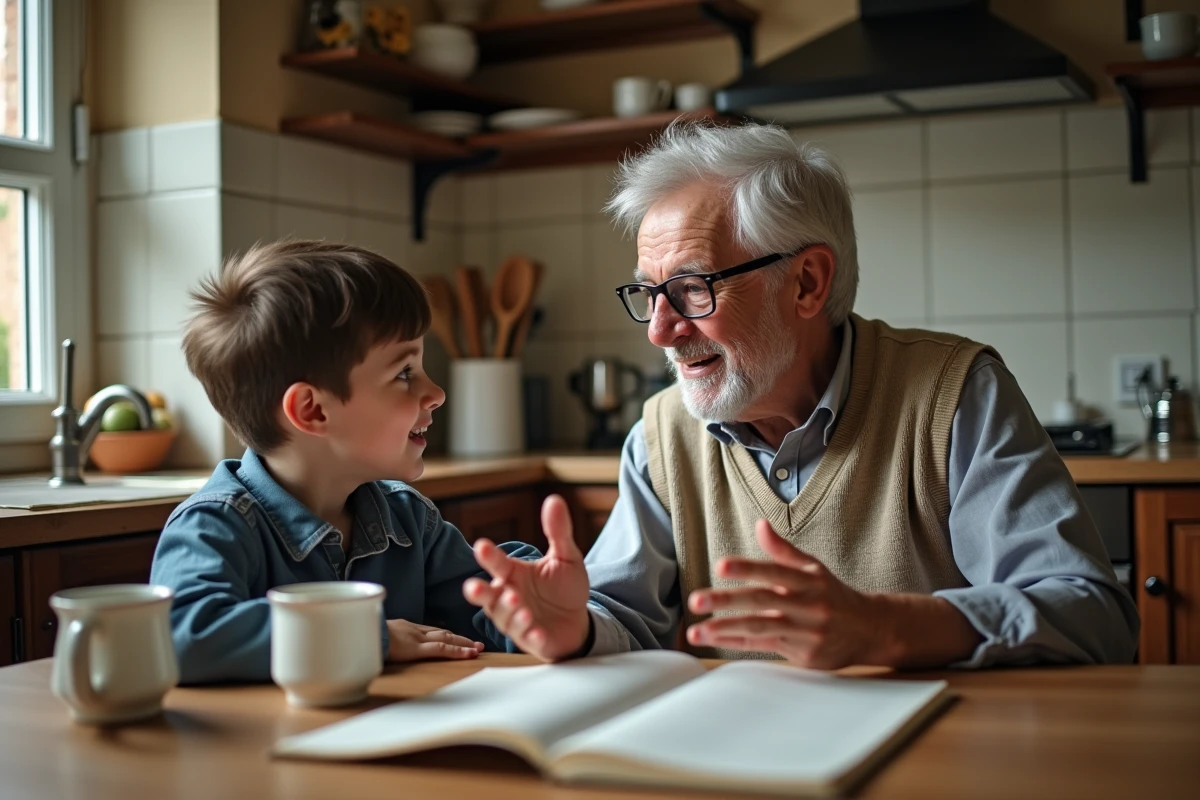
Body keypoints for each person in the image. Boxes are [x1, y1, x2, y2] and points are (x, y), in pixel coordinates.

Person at [464, 121, 1140, 669]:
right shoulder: (663, 436)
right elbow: (626, 621)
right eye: (649, 293)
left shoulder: (952, 396)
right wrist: (576, 629)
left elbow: (1093, 616)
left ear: (808, 283)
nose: (661, 331)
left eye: (693, 289)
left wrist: (886, 627)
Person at [150, 240, 537, 684]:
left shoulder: (408, 519)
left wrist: (531, 594)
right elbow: (180, 634)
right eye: (404, 373)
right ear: (313, 410)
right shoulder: (216, 525)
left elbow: (486, 609)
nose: (436, 393)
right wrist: (363, 635)